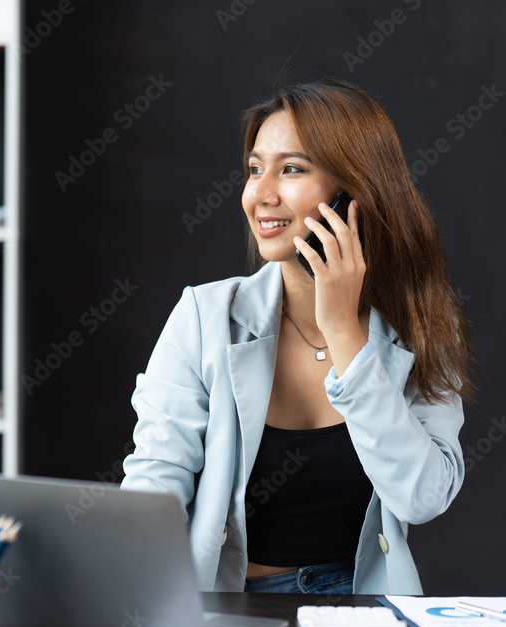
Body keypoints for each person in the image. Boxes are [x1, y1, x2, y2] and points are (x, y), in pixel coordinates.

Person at [121, 78, 476, 595]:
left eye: (291, 169)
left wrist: (343, 333)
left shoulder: (420, 326)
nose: (260, 195)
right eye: (254, 169)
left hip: (366, 611)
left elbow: (422, 498)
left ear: (355, 189)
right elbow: (157, 482)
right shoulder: (204, 316)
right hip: (233, 605)